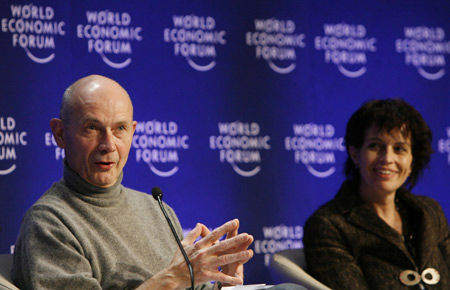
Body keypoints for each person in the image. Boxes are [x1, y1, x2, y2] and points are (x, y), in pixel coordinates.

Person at [12, 74, 255, 290]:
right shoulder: (48, 223)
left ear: (133, 131)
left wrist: (223, 284)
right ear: (60, 134)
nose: (108, 145)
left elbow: (184, 284)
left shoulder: (156, 209)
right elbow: (175, 280)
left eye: (120, 128)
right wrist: (172, 279)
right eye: (92, 128)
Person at [303, 99, 450, 289]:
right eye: (375, 146)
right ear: (355, 154)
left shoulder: (431, 212)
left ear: (412, 161)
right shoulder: (328, 225)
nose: (387, 159)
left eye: (399, 149)